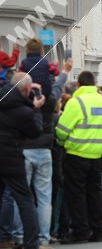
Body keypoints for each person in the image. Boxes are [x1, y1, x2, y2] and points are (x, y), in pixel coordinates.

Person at [12, 59, 71, 247]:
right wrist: (64, 72)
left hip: (24, 151)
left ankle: (19, 234)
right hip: (44, 149)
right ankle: (44, 237)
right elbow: (57, 88)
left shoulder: (14, 103)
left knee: (20, 195)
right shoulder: (47, 100)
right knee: (45, 197)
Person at [55, 71, 102, 244]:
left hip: (77, 154)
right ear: (94, 84)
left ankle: (80, 231)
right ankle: (98, 230)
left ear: (79, 85)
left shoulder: (76, 103)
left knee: (77, 194)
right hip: (97, 155)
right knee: (94, 193)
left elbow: (62, 130)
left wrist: (60, 140)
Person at [0, 73, 45, 249]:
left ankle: (4, 237)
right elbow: (35, 132)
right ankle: (31, 242)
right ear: (27, 89)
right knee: (25, 199)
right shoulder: (24, 111)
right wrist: (36, 109)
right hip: (12, 157)